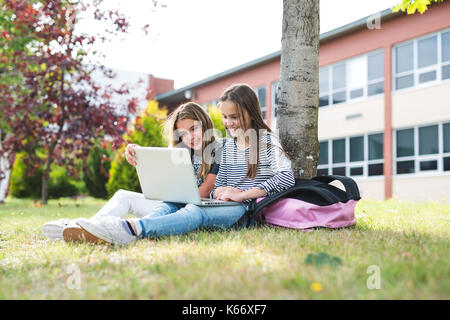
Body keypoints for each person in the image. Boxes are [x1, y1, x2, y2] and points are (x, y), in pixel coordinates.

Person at [71, 83, 295, 245]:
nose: (228, 123)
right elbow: (218, 186)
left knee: (194, 211)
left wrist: (241, 194)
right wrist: (222, 191)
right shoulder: (227, 146)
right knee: (172, 204)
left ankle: (132, 228)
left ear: (251, 112)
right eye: (225, 117)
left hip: (244, 210)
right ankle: (115, 228)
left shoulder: (265, 140)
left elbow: (287, 177)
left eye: (233, 117)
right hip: (225, 205)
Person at [42, 102, 219, 241]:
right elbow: (162, 183)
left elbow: (206, 190)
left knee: (162, 206)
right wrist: (140, 157)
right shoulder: (180, 151)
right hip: (169, 206)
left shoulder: (217, 148)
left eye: (193, 129)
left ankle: (93, 229)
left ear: (205, 123)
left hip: (189, 211)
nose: (190, 137)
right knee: (123, 196)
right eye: (183, 134)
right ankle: (81, 228)